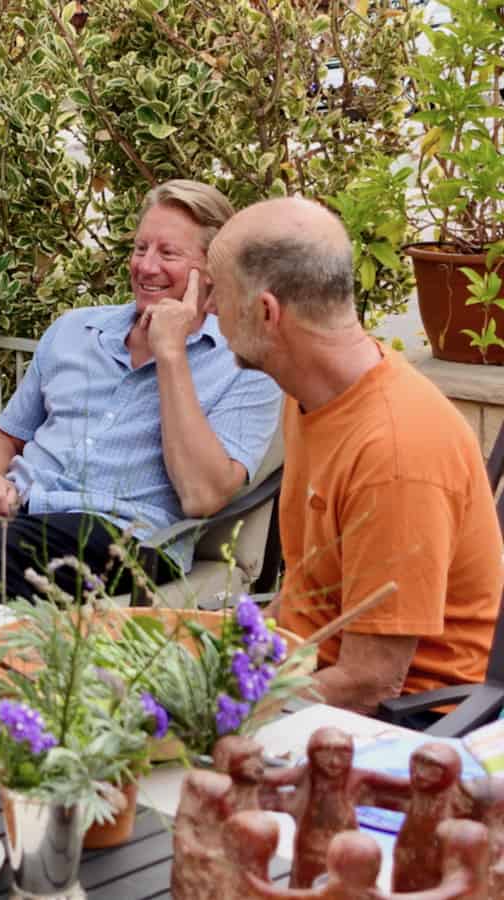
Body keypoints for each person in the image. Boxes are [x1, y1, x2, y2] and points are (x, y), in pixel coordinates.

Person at [0, 180, 282, 602]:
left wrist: (170, 353)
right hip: (19, 509)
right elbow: (4, 437)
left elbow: (202, 496)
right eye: (140, 249)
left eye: (168, 253)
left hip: (129, 537)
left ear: (210, 270)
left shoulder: (243, 363)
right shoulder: (74, 330)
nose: (146, 267)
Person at [208, 196, 503, 713]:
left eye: (219, 292)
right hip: (313, 679)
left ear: (266, 312)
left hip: (406, 725)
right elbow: (309, 592)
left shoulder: (394, 450)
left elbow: (371, 682)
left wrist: (214, 710)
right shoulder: (309, 396)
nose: (209, 308)